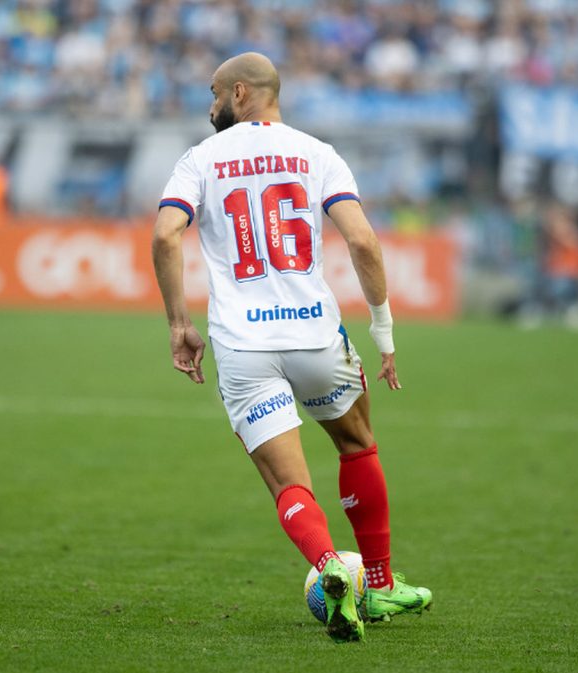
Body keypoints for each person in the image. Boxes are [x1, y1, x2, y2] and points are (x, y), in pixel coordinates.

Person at [151, 52, 431, 644]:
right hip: (314, 335)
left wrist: (178, 323)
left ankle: (330, 567)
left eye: (215, 93)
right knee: (357, 446)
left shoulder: (198, 160)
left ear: (243, 94)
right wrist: (383, 334)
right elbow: (362, 242)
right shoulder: (318, 153)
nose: (210, 106)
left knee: (289, 485)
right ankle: (376, 584)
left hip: (244, 346)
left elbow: (165, 234)